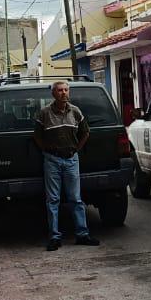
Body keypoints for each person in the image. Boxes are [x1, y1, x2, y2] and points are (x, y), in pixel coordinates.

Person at [33, 80, 100, 251]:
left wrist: (76, 150)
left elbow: (86, 132)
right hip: (52, 160)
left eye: (66, 90)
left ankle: (82, 234)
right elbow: (37, 136)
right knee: (53, 200)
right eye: (60, 90)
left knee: (75, 199)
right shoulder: (44, 113)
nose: (64, 93)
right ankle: (54, 237)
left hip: (71, 160)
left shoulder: (75, 112)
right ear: (53, 93)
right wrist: (46, 150)